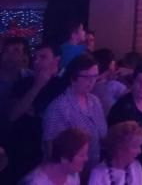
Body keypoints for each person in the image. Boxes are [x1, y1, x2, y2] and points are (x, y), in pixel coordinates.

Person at [4, 44, 67, 183]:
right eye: (35, 57)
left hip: (50, 152)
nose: (36, 61)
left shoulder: (63, 86)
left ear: (56, 60)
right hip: (20, 151)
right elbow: (13, 115)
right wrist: (38, 85)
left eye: (43, 57)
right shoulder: (23, 83)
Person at [43, 54, 107, 168]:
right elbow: (51, 150)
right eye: (87, 77)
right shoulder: (59, 107)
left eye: (95, 76)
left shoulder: (95, 101)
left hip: (93, 168)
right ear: (73, 78)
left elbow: (102, 135)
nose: (92, 81)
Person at [107, 62, 142, 158]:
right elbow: (114, 139)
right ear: (133, 81)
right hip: (130, 158)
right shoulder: (121, 107)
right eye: (139, 81)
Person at [21, 128, 89, 185]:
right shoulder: (35, 182)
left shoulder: (73, 175)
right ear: (64, 158)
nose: (86, 158)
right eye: (81, 155)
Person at [91, 49, 127, 116]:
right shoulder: (114, 86)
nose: (116, 67)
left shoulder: (86, 85)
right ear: (111, 65)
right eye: (114, 64)